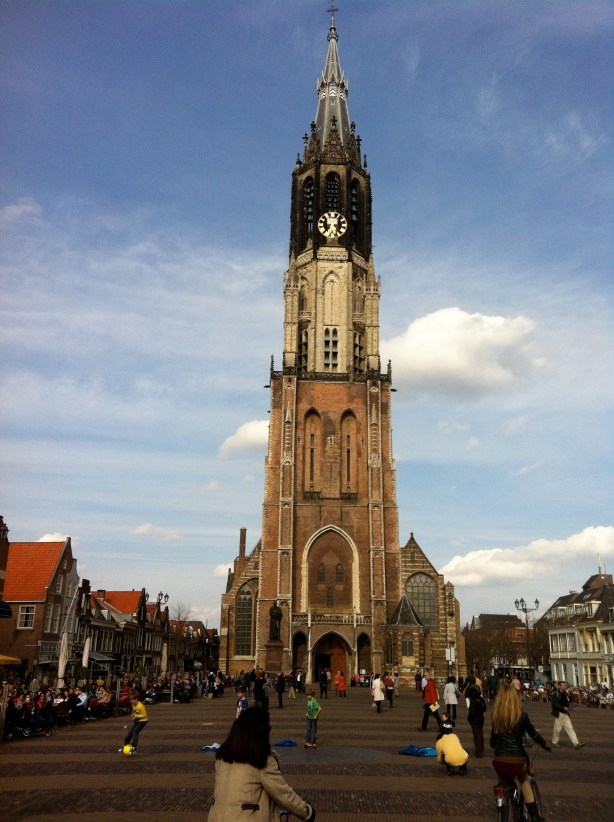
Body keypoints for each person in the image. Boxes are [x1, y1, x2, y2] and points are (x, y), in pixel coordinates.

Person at [209, 707, 316, 821]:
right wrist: (307, 812)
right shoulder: (260, 760)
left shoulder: (222, 757)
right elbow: (282, 794)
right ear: (261, 732)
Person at [490, 684, 551, 822]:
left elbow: (493, 741)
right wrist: (545, 745)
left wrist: (494, 744)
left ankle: (503, 808)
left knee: (502, 780)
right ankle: (534, 815)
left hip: (499, 760)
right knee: (524, 780)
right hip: (517, 760)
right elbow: (534, 735)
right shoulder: (522, 716)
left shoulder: (496, 716)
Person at [550, 681, 585, 749]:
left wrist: (571, 705)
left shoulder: (566, 693)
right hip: (559, 713)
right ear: (559, 686)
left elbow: (567, 702)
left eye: (565, 685)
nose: (564, 687)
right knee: (557, 729)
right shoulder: (555, 694)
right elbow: (554, 704)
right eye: (563, 685)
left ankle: (576, 743)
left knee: (570, 728)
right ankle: (554, 742)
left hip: (565, 714)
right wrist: (563, 707)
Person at [466, 677, 486, 758]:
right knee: (480, 734)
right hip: (481, 718)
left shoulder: (473, 701)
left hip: (475, 720)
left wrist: (469, 717)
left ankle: (478, 752)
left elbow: (472, 712)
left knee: (476, 736)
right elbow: (485, 708)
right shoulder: (480, 699)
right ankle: (481, 748)